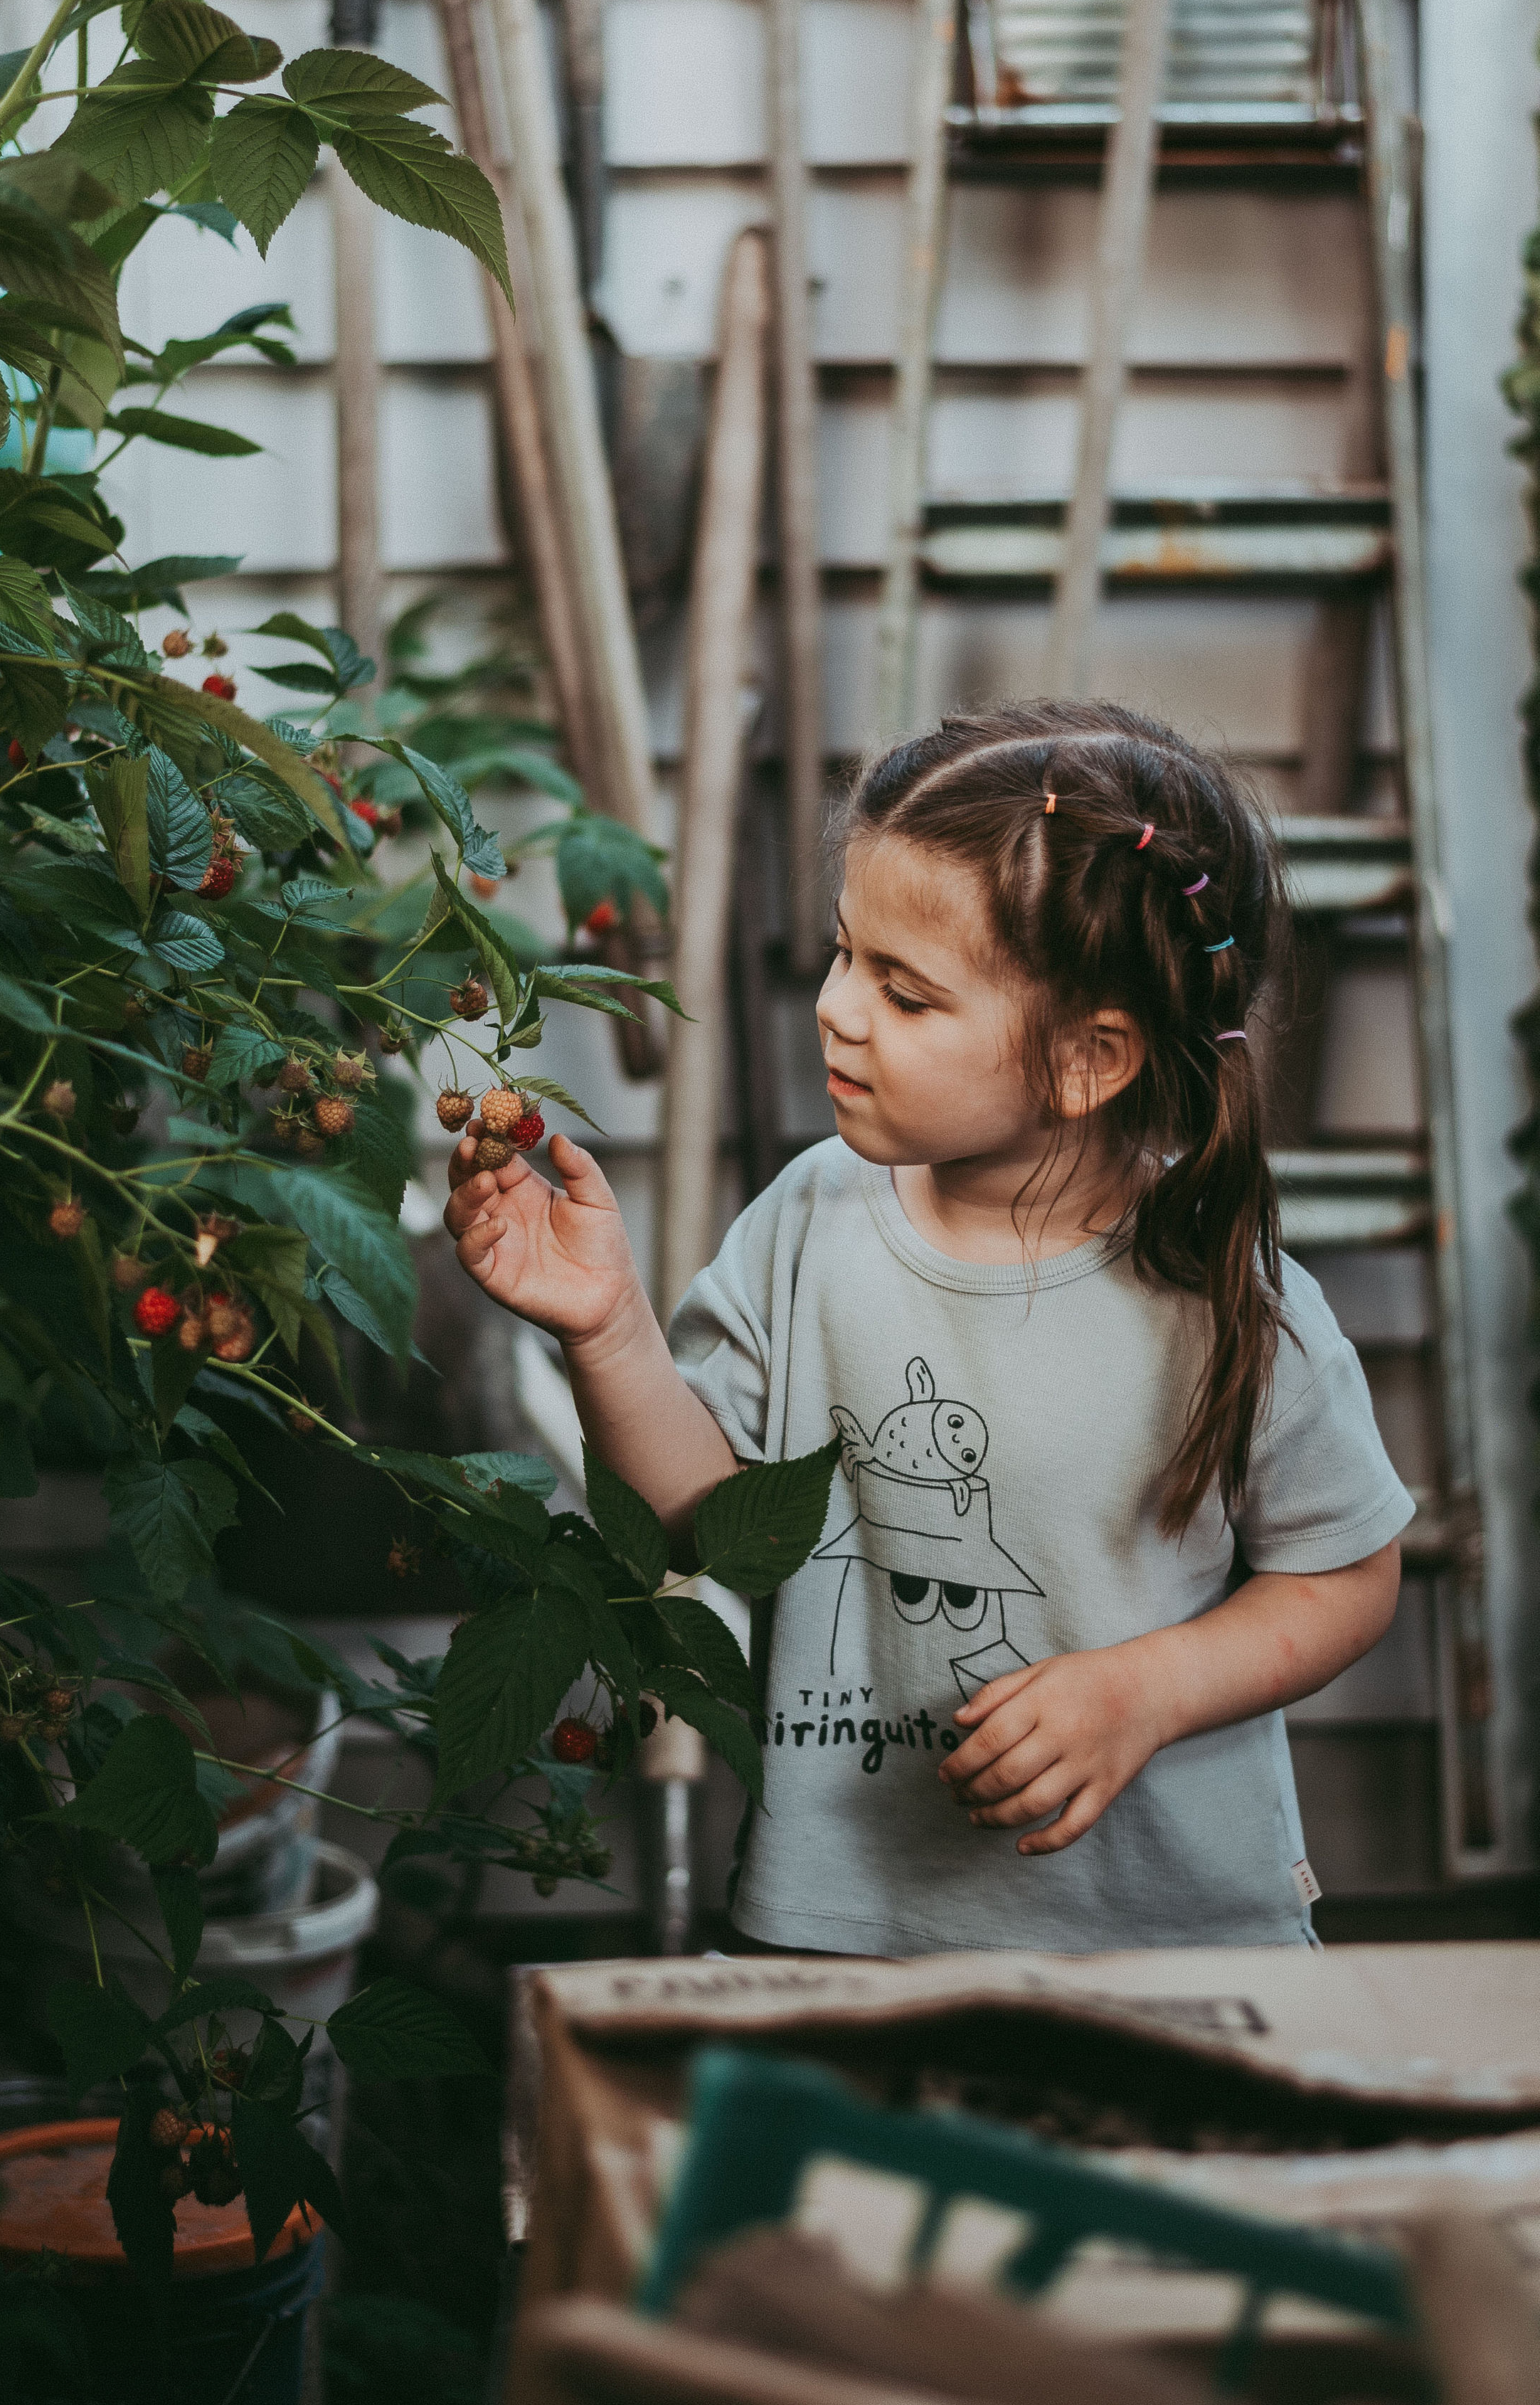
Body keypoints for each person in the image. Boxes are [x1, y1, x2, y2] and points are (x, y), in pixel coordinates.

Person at [442, 701, 1412, 1954]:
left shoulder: (1217, 1281)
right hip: (850, 1924)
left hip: (1168, 1945)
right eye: (847, 955)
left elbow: (1347, 1573)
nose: (838, 1009)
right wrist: (607, 1325)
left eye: (904, 992)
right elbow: (710, 1523)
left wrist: (1144, 1692)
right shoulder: (809, 1221)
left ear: (1087, 1058)